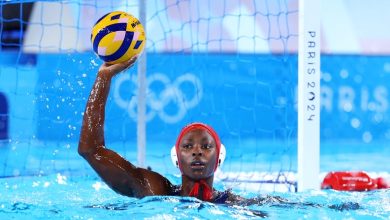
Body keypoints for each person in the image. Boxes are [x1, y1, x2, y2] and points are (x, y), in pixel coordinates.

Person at [78, 57, 364, 213]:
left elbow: (291, 207)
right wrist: (104, 78)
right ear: (176, 159)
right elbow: (91, 150)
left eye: (206, 146)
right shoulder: (153, 189)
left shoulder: (233, 204)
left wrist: (343, 206)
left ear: (219, 158)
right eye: (188, 146)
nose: (198, 152)